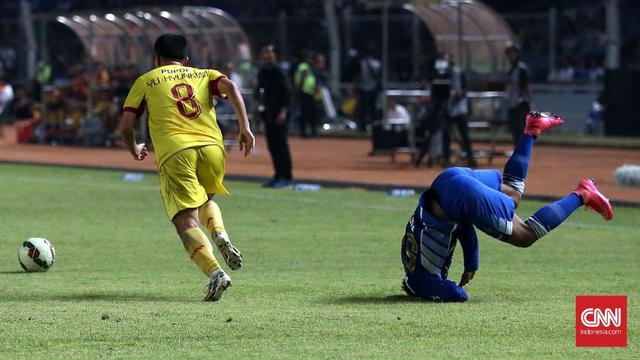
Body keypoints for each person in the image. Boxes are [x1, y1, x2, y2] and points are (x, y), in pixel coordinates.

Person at [401, 111, 613, 302]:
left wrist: (457, 281)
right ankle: (532, 128)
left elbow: (457, 294)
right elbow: (462, 225)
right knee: (511, 190)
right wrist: (471, 264)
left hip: (460, 196)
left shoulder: (423, 283)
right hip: (447, 182)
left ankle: (582, 194)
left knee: (525, 235)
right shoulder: (410, 263)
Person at [117, 34, 255, 301]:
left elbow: (125, 126)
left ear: (156, 58)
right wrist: (245, 128)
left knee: (185, 221)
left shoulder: (147, 80)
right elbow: (233, 88)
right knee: (204, 200)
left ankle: (216, 273)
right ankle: (219, 232)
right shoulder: (205, 74)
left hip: (176, 151)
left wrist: (134, 148)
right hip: (213, 148)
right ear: (186, 59)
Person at [256, 44, 293, 188]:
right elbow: (260, 88)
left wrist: (283, 111)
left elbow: (286, 92)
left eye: (269, 53)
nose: (267, 55)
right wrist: (258, 99)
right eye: (264, 53)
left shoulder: (279, 71)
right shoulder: (263, 71)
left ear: (275, 55)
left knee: (281, 145)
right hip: (268, 112)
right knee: (272, 145)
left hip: (279, 112)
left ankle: (286, 176)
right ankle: (277, 175)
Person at [504, 45, 532, 145]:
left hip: (520, 104)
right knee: (514, 131)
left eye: (511, 54)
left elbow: (527, 86)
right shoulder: (511, 70)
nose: (510, 56)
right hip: (512, 103)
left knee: (520, 130)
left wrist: (530, 102)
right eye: (508, 54)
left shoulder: (521, 69)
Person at [294, 51, 319, 137]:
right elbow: (302, 77)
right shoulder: (304, 66)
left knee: (310, 111)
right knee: (306, 112)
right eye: (310, 58)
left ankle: (311, 131)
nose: (312, 60)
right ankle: (304, 132)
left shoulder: (308, 67)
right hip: (305, 92)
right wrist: (299, 89)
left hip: (309, 92)